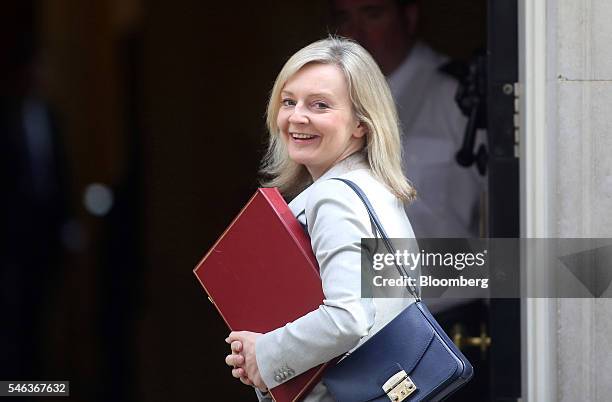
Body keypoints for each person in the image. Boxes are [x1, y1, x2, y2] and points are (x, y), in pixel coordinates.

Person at [223, 36, 418, 401]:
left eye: (320, 105)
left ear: (361, 123)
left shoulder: (335, 196)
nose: (297, 117)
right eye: (288, 101)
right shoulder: (372, 187)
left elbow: (348, 317)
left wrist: (263, 356)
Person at [330, 0, 484, 238]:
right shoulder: (325, 101)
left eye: (372, 14)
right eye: (343, 18)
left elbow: (507, 204)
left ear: (409, 18)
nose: (353, 34)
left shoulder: (456, 94)